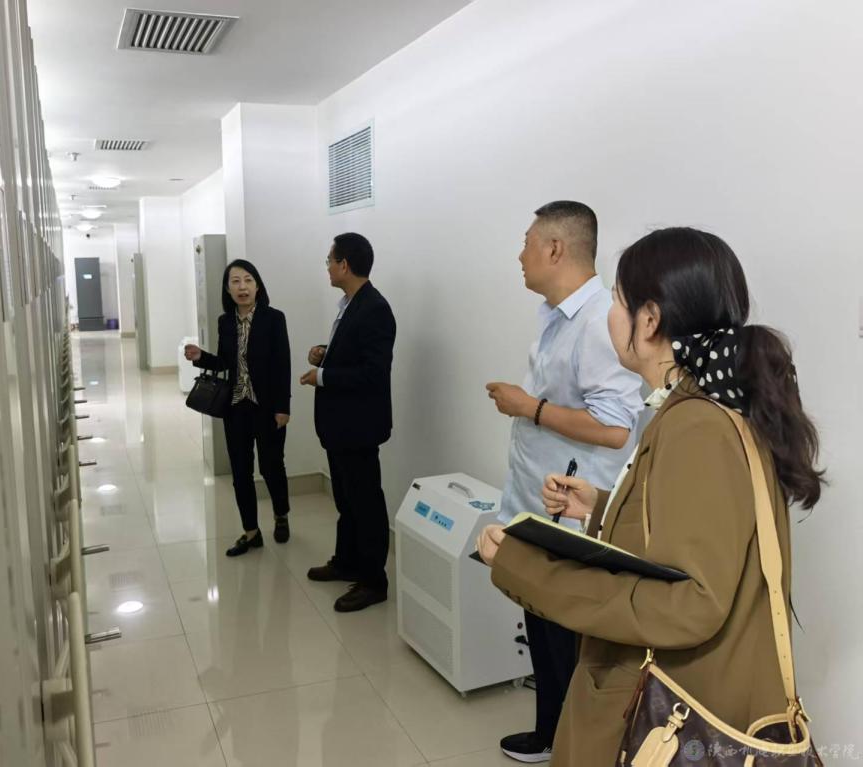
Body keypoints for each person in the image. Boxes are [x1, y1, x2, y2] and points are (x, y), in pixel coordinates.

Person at [477, 227, 824, 765]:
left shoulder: (697, 425)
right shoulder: (699, 407)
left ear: (650, 319)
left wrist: (525, 567)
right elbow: (691, 537)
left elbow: (691, 604)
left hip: (672, 714)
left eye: (617, 301)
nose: (610, 316)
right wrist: (602, 505)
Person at [485, 201, 644, 763]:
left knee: (565, 636)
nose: (519, 255)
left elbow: (615, 428)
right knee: (542, 621)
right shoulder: (558, 315)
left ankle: (570, 742)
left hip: (571, 512)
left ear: (555, 249)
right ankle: (551, 732)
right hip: (542, 500)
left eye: (526, 243)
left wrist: (527, 407)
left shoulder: (599, 321)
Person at [300, 233, 396, 613]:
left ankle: (373, 581)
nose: (327, 267)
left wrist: (321, 376)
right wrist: (324, 354)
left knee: (365, 502)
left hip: (359, 427)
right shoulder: (351, 304)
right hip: (341, 426)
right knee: (346, 500)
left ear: (344, 265)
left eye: (330, 260)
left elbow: (373, 373)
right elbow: (352, 355)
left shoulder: (375, 308)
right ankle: (347, 562)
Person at [185, 259, 292, 557]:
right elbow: (225, 363)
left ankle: (281, 514)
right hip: (235, 407)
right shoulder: (225, 321)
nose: (242, 287)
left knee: (271, 466)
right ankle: (251, 532)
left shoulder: (274, 318)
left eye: (247, 280)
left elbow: (283, 364)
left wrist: (283, 407)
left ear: (257, 285)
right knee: (240, 472)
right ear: (227, 288)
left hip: (267, 407)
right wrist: (201, 357)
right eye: (235, 281)